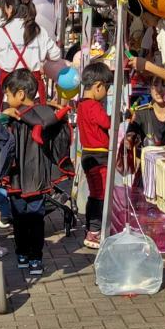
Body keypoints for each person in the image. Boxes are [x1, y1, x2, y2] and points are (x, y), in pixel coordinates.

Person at [0, 69, 72, 276]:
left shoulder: (13, 117)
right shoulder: (44, 114)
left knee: (20, 217)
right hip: (38, 176)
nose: (7, 99)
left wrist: (3, 117)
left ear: (20, 94)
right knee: (35, 218)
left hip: (16, 177)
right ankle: (35, 258)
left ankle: (23, 255)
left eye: (8, 95)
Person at [0, 0, 62, 109]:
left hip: (9, 93)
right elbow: (56, 55)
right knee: (35, 124)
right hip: (33, 90)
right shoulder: (38, 30)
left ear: (9, 8)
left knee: (7, 125)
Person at [67, 64, 114, 249]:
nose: (107, 93)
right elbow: (106, 122)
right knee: (99, 194)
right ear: (98, 86)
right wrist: (117, 115)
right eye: (107, 88)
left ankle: (92, 228)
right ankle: (93, 231)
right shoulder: (93, 106)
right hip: (98, 155)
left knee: (95, 193)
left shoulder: (81, 105)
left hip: (89, 154)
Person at [131, 77, 165, 147]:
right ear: (150, 88)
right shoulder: (141, 113)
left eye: (164, 85)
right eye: (155, 85)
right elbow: (130, 138)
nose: (159, 90)